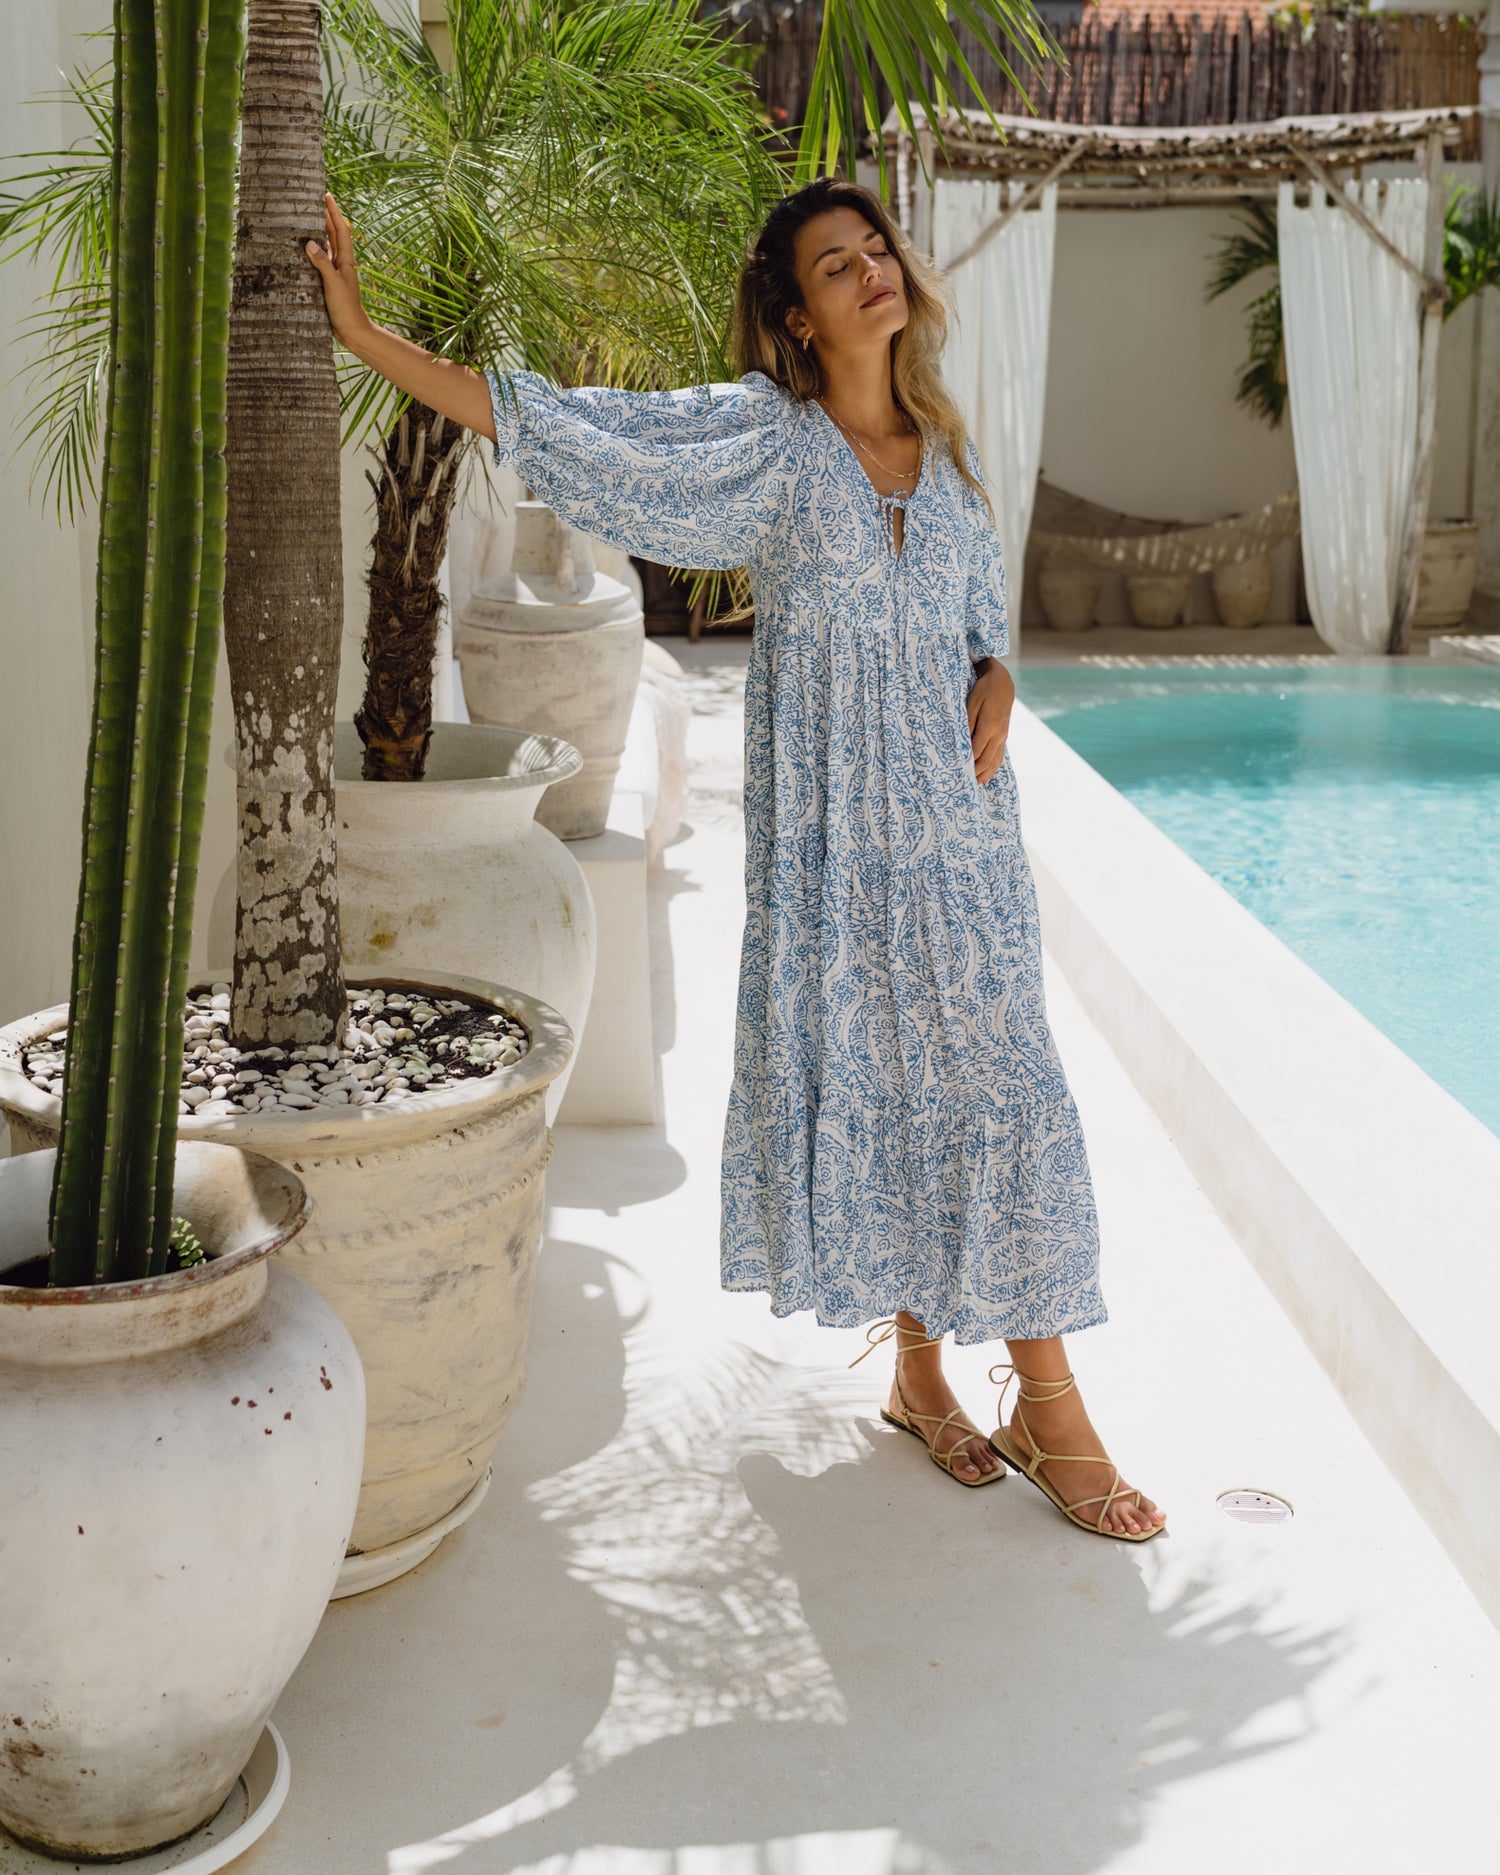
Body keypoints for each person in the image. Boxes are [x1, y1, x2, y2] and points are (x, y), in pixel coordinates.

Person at [307, 177, 1166, 1540]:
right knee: (881, 1077)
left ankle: (1047, 1405)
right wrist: (368, 341)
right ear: (798, 315)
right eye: (837, 265)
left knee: (1007, 1085)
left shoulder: (940, 450)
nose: (871, 270)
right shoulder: (767, 441)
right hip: (838, 847)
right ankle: (929, 1381)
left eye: (874, 248)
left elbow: (972, 604)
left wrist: (999, 664)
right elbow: (574, 427)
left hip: (963, 842)